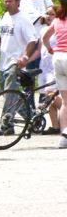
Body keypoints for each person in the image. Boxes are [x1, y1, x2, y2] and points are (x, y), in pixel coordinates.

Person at [0, 0, 38, 136]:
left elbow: (32, 40)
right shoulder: (5, 17)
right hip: (3, 62)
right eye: (6, 1)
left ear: (17, 2)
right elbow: (2, 33)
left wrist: (25, 57)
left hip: (15, 62)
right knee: (9, 94)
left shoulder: (23, 19)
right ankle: (32, 117)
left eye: (10, 1)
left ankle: (6, 124)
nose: (7, 4)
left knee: (10, 93)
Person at [42, 0, 67, 148]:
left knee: (65, 102)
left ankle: (64, 136)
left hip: (57, 58)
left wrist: (50, 49)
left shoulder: (57, 20)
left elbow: (45, 37)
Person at [38, 7, 62, 135]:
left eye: (51, 14)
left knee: (51, 94)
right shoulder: (43, 30)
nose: (48, 16)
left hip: (55, 67)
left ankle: (64, 114)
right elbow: (39, 50)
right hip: (44, 68)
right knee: (49, 98)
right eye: (47, 13)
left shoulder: (59, 28)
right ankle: (55, 126)